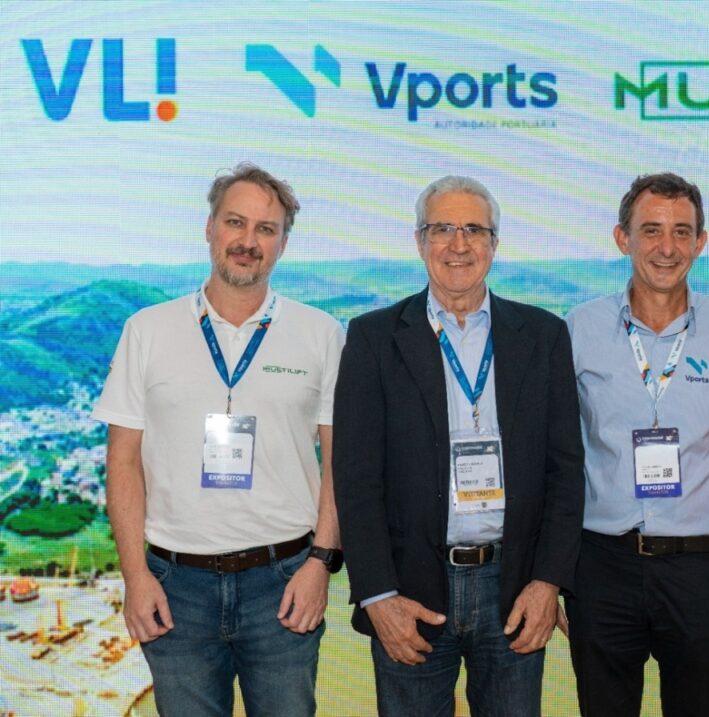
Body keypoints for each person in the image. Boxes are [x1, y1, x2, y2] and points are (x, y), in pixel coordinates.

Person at [92, 163, 344, 717]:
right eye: (235, 222)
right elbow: (122, 461)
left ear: (283, 243)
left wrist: (320, 565)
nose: (248, 241)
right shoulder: (147, 330)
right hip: (173, 587)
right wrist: (135, 576)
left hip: (284, 583)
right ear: (209, 228)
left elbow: (340, 462)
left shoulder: (322, 333)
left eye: (266, 229)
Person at [333, 175, 584, 717]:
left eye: (474, 230)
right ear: (419, 240)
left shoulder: (543, 336)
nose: (459, 244)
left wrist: (548, 582)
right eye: (442, 228)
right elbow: (355, 480)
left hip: (514, 589)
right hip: (411, 591)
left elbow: (566, 472)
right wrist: (377, 595)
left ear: (495, 244)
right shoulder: (373, 338)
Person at [565, 172, 709, 717]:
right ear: (622, 238)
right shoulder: (579, 328)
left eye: (681, 232)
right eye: (650, 230)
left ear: (701, 242)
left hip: (700, 570)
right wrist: (548, 573)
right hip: (601, 566)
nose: (666, 247)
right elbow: (558, 458)